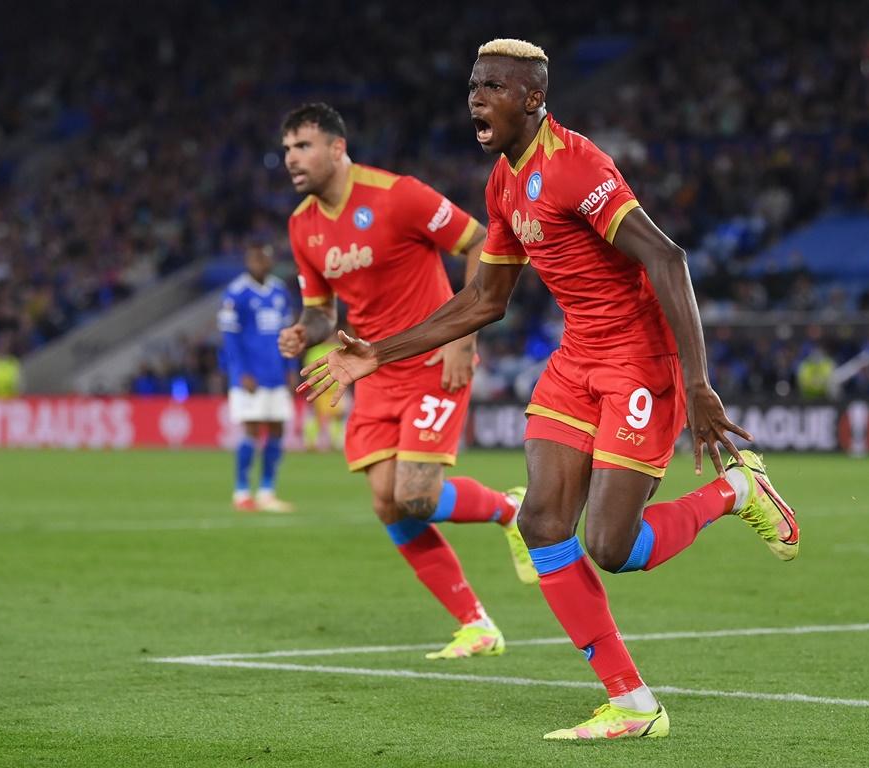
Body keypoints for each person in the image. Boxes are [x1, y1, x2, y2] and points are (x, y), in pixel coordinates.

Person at [301, 40, 799, 740]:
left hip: (636, 361)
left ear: (532, 99)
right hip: (576, 359)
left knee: (613, 547)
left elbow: (666, 255)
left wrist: (697, 383)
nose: (477, 98)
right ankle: (631, 704)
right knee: (541, 523)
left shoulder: (578, 166)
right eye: (474, 85)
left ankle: (735, 491)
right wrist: (375, 354)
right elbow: (482, 301)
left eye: (494, 87)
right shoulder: (502, 186)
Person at [275, 103, 537, 661]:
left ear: (337, 148)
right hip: (372, 370)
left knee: (415, 495)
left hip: (430, 359)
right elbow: (321, 308)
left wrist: (461, 339)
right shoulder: (302, 225)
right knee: (388, 504)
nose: (290, 158)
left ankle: (513, 510)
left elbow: (479, 241)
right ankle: (477, 625)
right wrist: (305, 329)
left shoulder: (398, 195)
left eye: (302, 146)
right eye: (286, 149)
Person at [219, 244, 296, 513]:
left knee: (277, 429)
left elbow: (289, 333)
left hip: (276, 373)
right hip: (250, 377)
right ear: (247, 260)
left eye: (265, 257)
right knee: (251, 430)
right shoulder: (236, 293)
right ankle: (241, 491)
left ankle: (267, 491)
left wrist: (291, 367)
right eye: (255, 258)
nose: (260, 262)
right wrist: (241, 373)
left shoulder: (279, 291)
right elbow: (230, 339)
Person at [301, 336, 347, 451]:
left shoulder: (338, 350)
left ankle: (335, 442)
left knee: (337, 416)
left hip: (335, 389)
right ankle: (311, 442)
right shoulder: (314, 351)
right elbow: (309, 371)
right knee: (319, 416)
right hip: (319, 390)